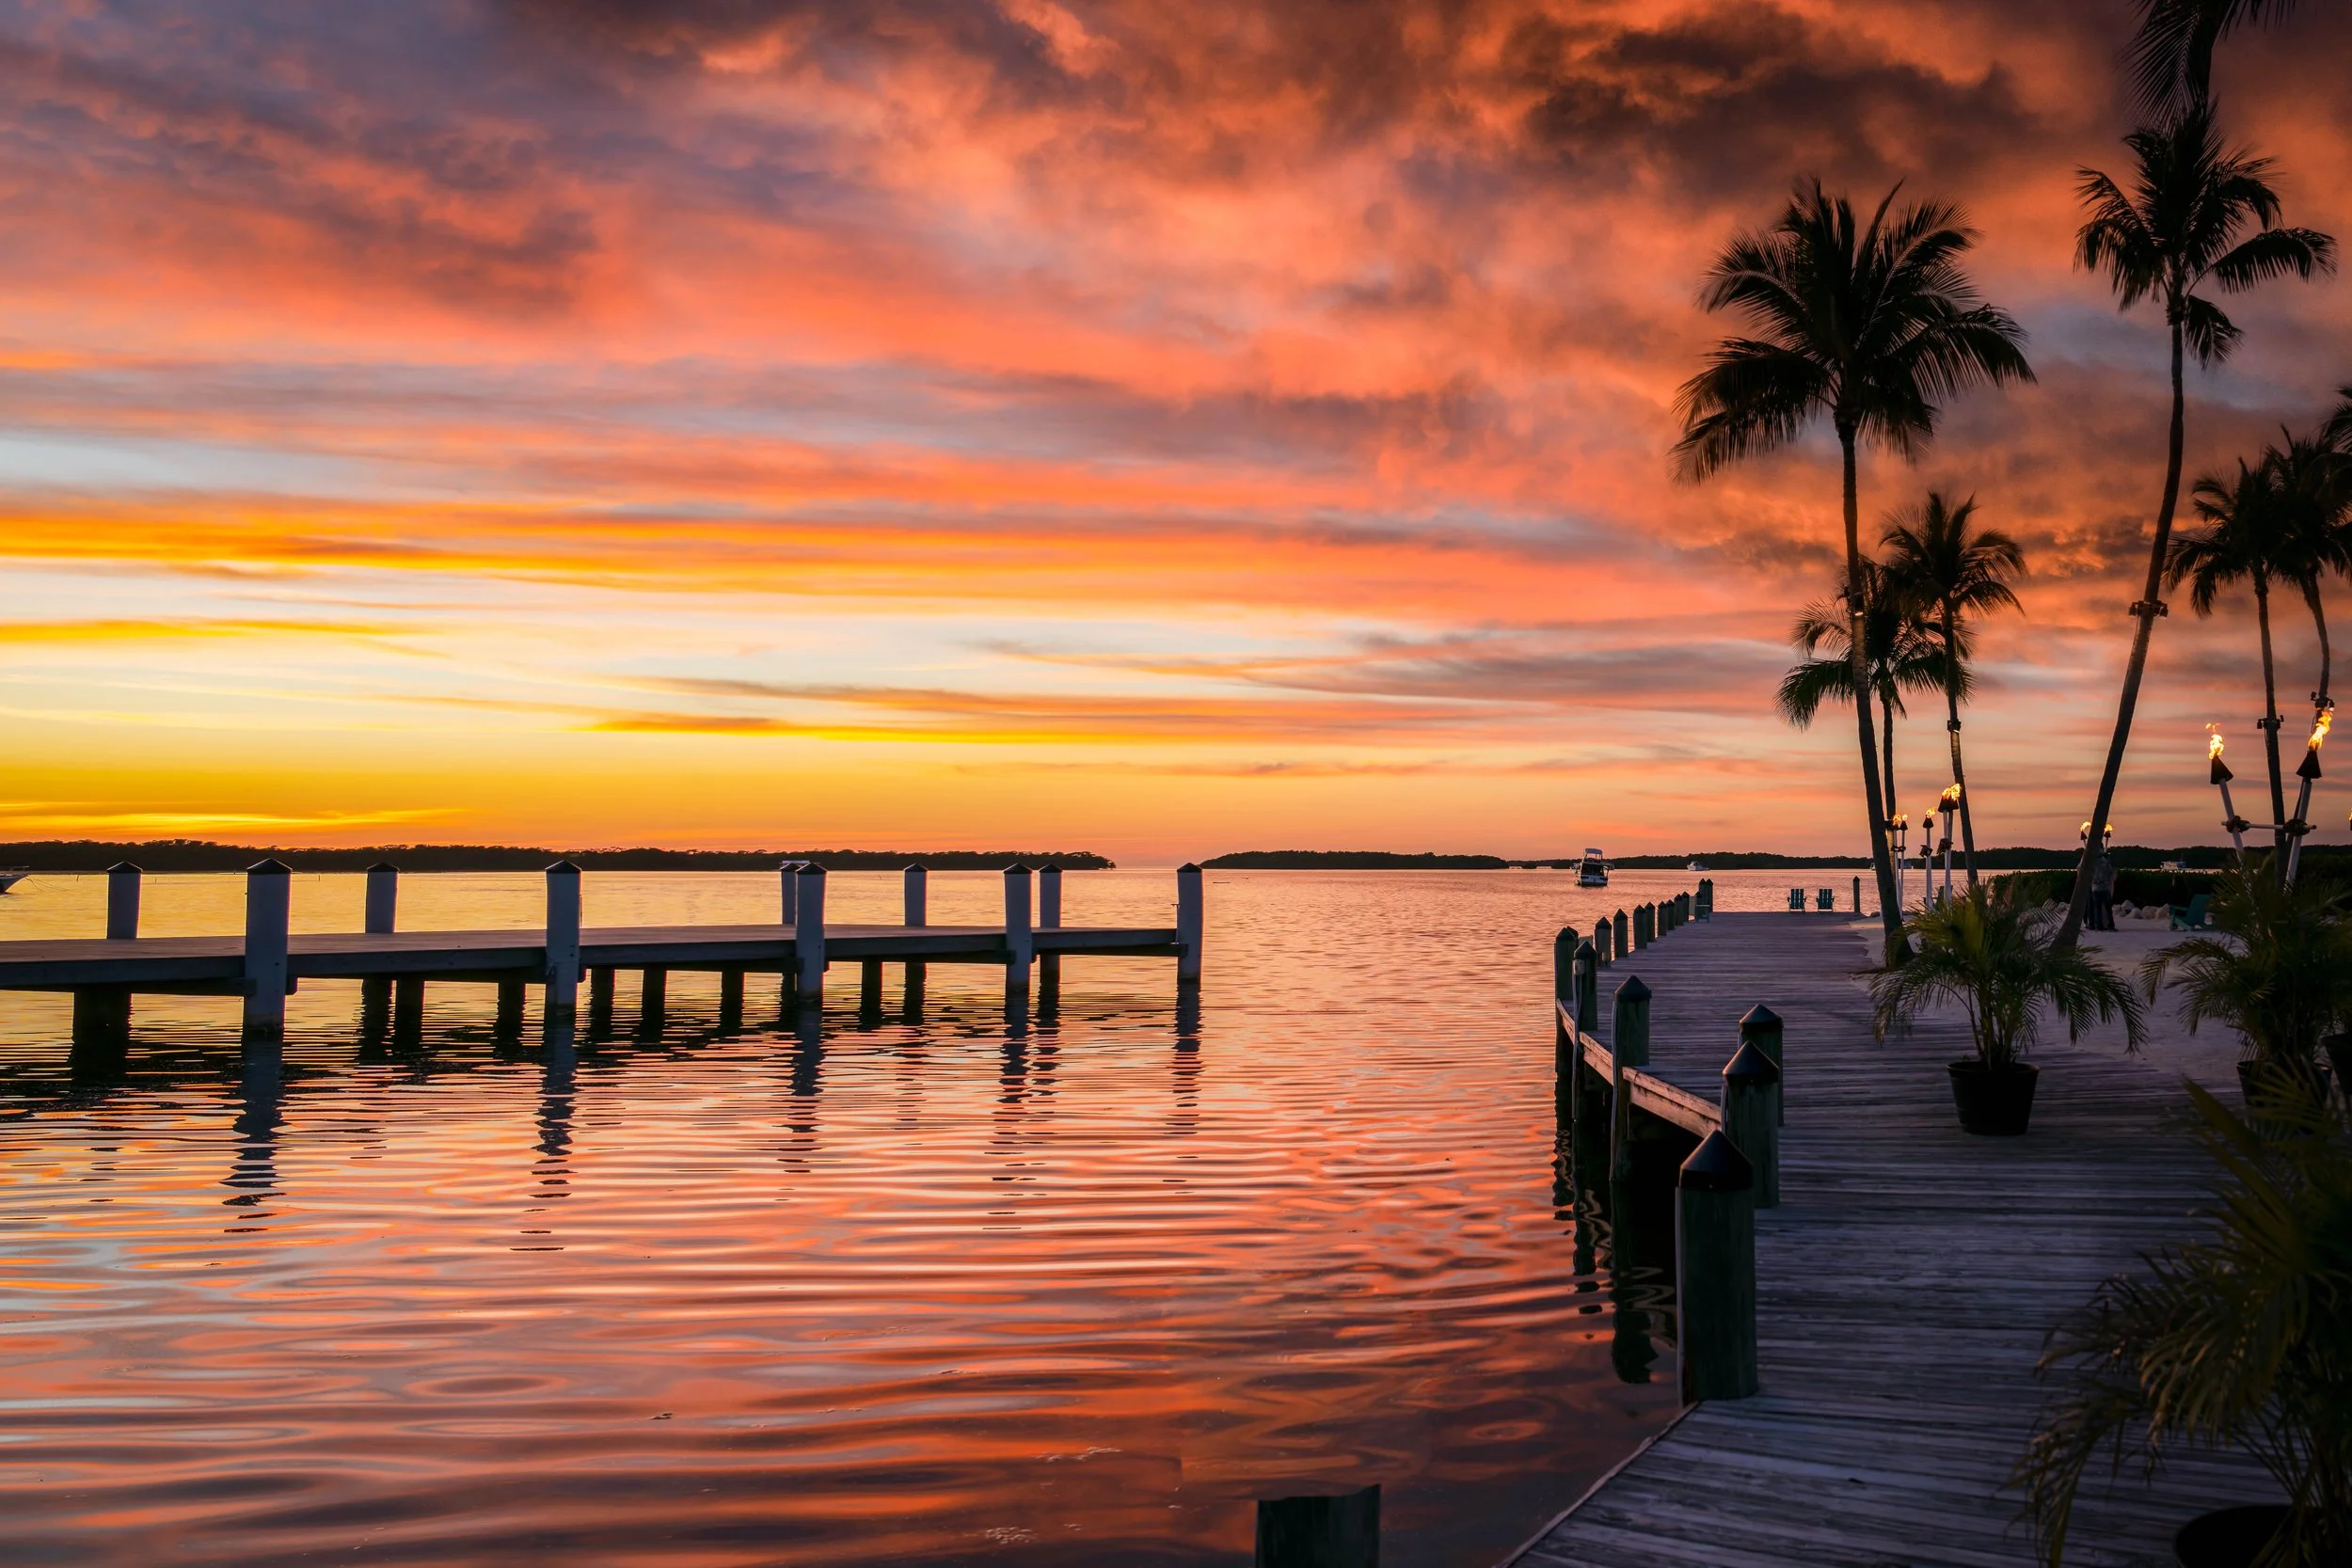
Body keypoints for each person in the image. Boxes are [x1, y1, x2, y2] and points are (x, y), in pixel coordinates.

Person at [2090, 850, 2116, 931]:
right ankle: (2110, 925)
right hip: (2104, 888)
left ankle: (2100, 926)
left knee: (2098, 908)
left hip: (2096, 888)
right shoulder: (2105, 862)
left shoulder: (2092, 862)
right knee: (2107, 908)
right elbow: (2110, 872)